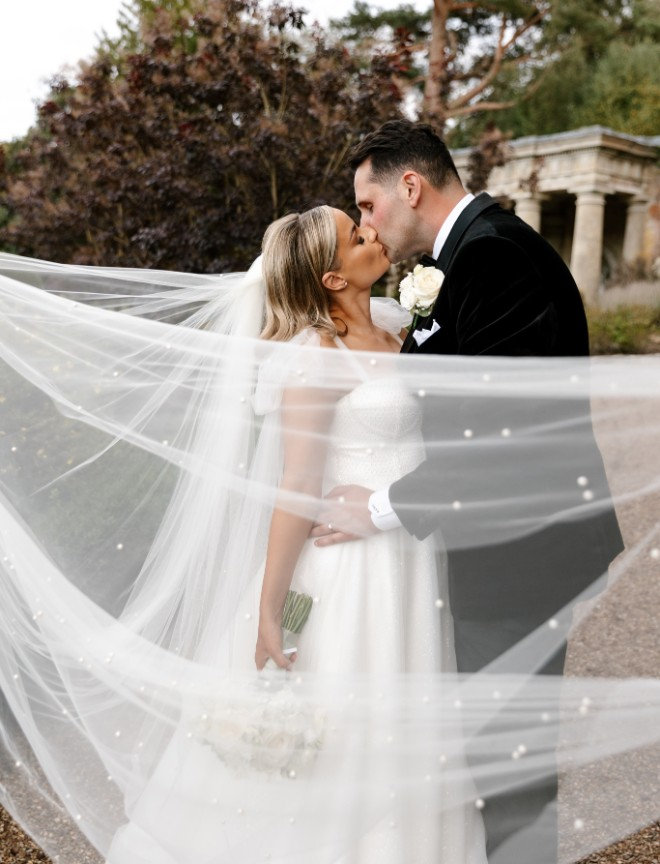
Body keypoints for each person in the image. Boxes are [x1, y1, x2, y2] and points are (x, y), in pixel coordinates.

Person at [103, 204, 488, 864]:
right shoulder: (315, 360)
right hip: (347, 570)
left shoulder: (401, 327)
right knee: (340, 733)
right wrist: (269, 611)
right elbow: (296, 488)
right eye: (356, 235)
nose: (374, 235)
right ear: (333, 279)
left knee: (405, 720)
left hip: (409, 554)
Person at [312, 120, 625, 863]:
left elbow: (500, 435)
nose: (365, 222)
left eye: (367, 204)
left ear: (410, 186)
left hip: (517, 550)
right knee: (492, 755)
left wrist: (381, 509)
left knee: (508, 762)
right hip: (496, 543)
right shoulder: (471, 255)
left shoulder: (494, 260)